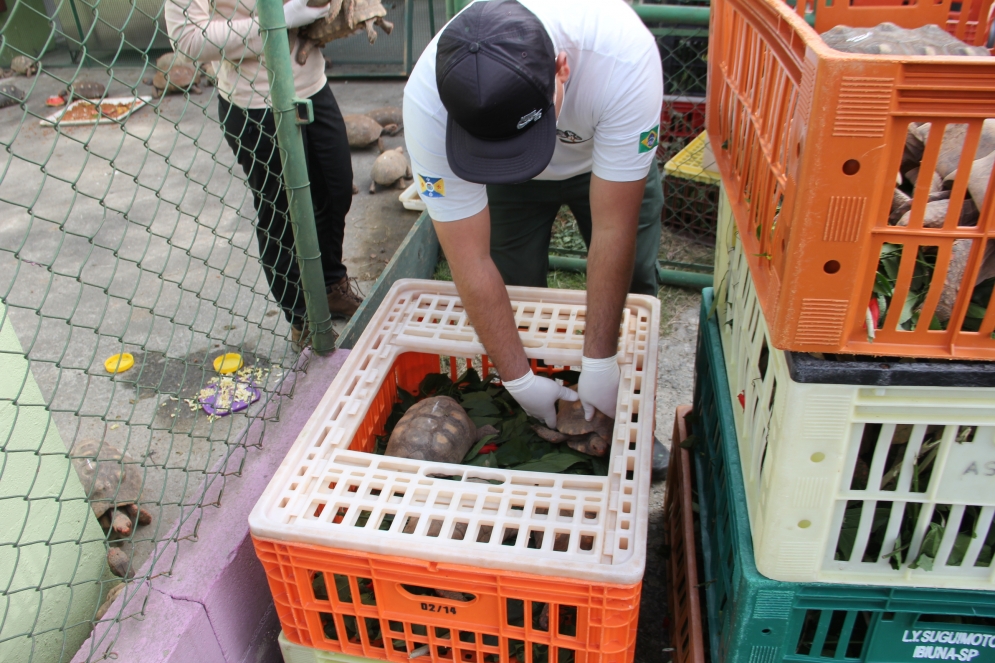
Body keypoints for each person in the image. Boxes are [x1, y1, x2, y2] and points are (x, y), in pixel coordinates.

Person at [403, 0, 664, 431]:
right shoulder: (427, 104)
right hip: (508, 186)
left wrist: (599, 360)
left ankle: (631, 412)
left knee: (634, 280)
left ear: (562, 68)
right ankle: (553, 405)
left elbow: (614, 228)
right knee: (516, 285)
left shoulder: (622, 58)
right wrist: (518, 379)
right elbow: (470, 261)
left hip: (601, 155)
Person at [165, 0, 363, 347]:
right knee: (280, 213)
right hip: (254, 102)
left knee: (336, 190)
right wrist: (275, 21)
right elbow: (188, 40)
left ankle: (330, 285)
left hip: (311, 86)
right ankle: (301, 317)